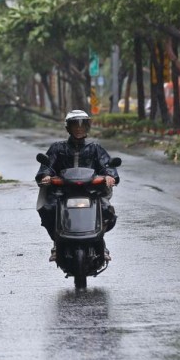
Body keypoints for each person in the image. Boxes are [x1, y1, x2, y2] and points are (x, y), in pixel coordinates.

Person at [35, 109, 119, 261]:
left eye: (82, 124)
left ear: (87, 127)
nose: (79, 128)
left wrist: (110, 175)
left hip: (91, 191)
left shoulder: (95, 148)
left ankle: (100, 242)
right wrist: (46, 175)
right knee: (48, 209)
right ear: (68, 127)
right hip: (62, 192)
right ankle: (57, 242)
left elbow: (107, 165)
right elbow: (48, 165)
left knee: (107, 211)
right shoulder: (57, 148)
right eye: (75, 125)